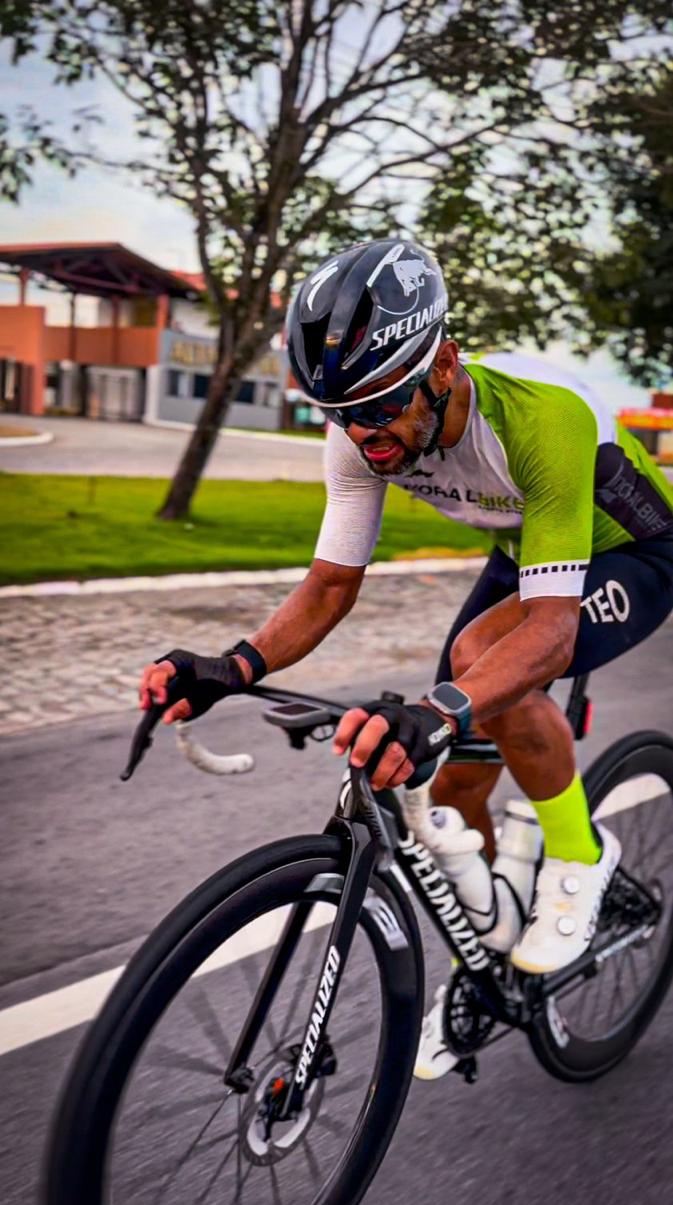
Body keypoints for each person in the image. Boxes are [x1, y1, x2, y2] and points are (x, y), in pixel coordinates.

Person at [139, 237, 673, 1001]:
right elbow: (328, 588)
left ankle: (578, 854)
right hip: (529, 543)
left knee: (481, 662)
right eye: (341, 412)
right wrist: (232, 667)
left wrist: (439, 707)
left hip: (634, 548)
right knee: (451, 786)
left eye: (383, 405)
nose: (365, 434)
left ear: (445, 365)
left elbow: (549, 631)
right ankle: (484, 962)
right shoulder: (362, 431)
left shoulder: (540, 419)